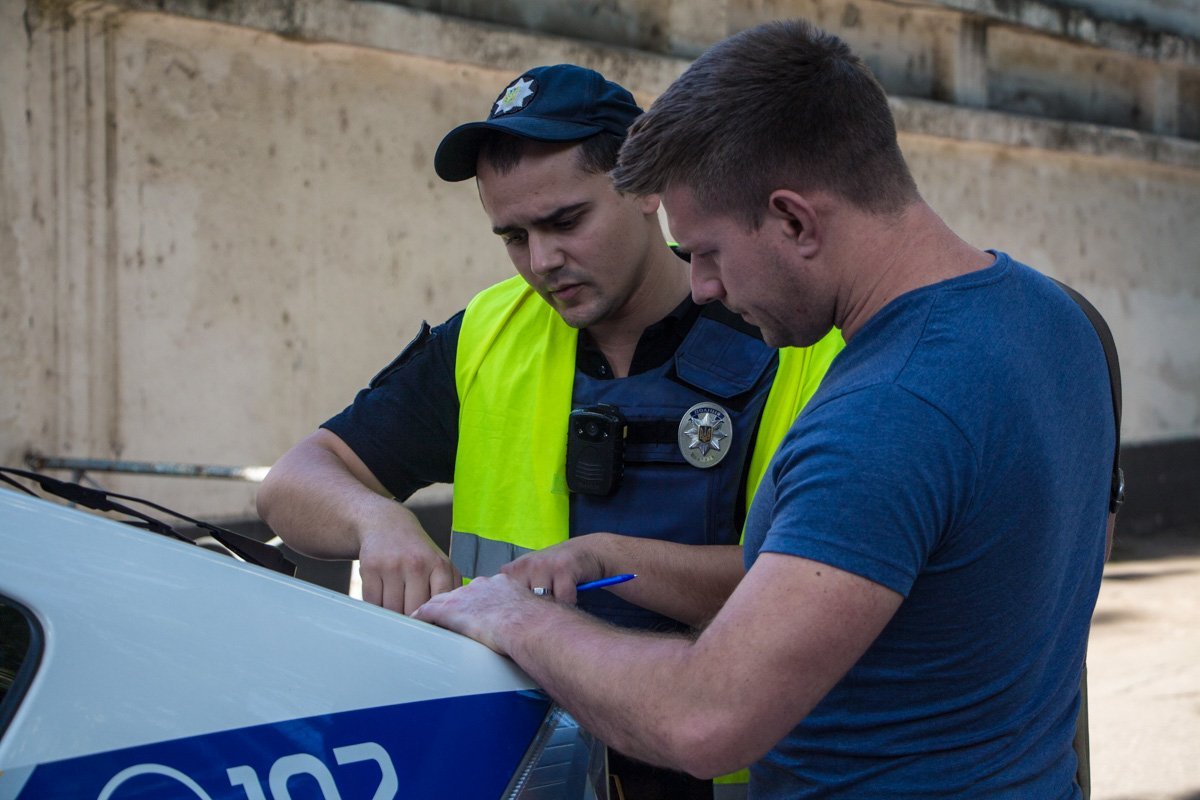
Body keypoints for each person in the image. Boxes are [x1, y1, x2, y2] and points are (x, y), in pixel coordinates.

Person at [413, 19, 1115, 799]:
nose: (702, 287)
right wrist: (611, 558)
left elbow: (705, 720)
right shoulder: (1057, 321)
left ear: (794, 220)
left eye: (707, 251)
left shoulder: (883, 415)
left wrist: (513, 619)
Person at [257, 63, 842, 799]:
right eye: (513, 236)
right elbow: (292, 482)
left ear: (647, 187)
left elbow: (816, 584)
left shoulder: (789, 339)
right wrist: (378, 520)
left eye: (566, 222)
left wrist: (607, 557)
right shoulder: (487, 336)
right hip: (522, 772)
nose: (542, 262)